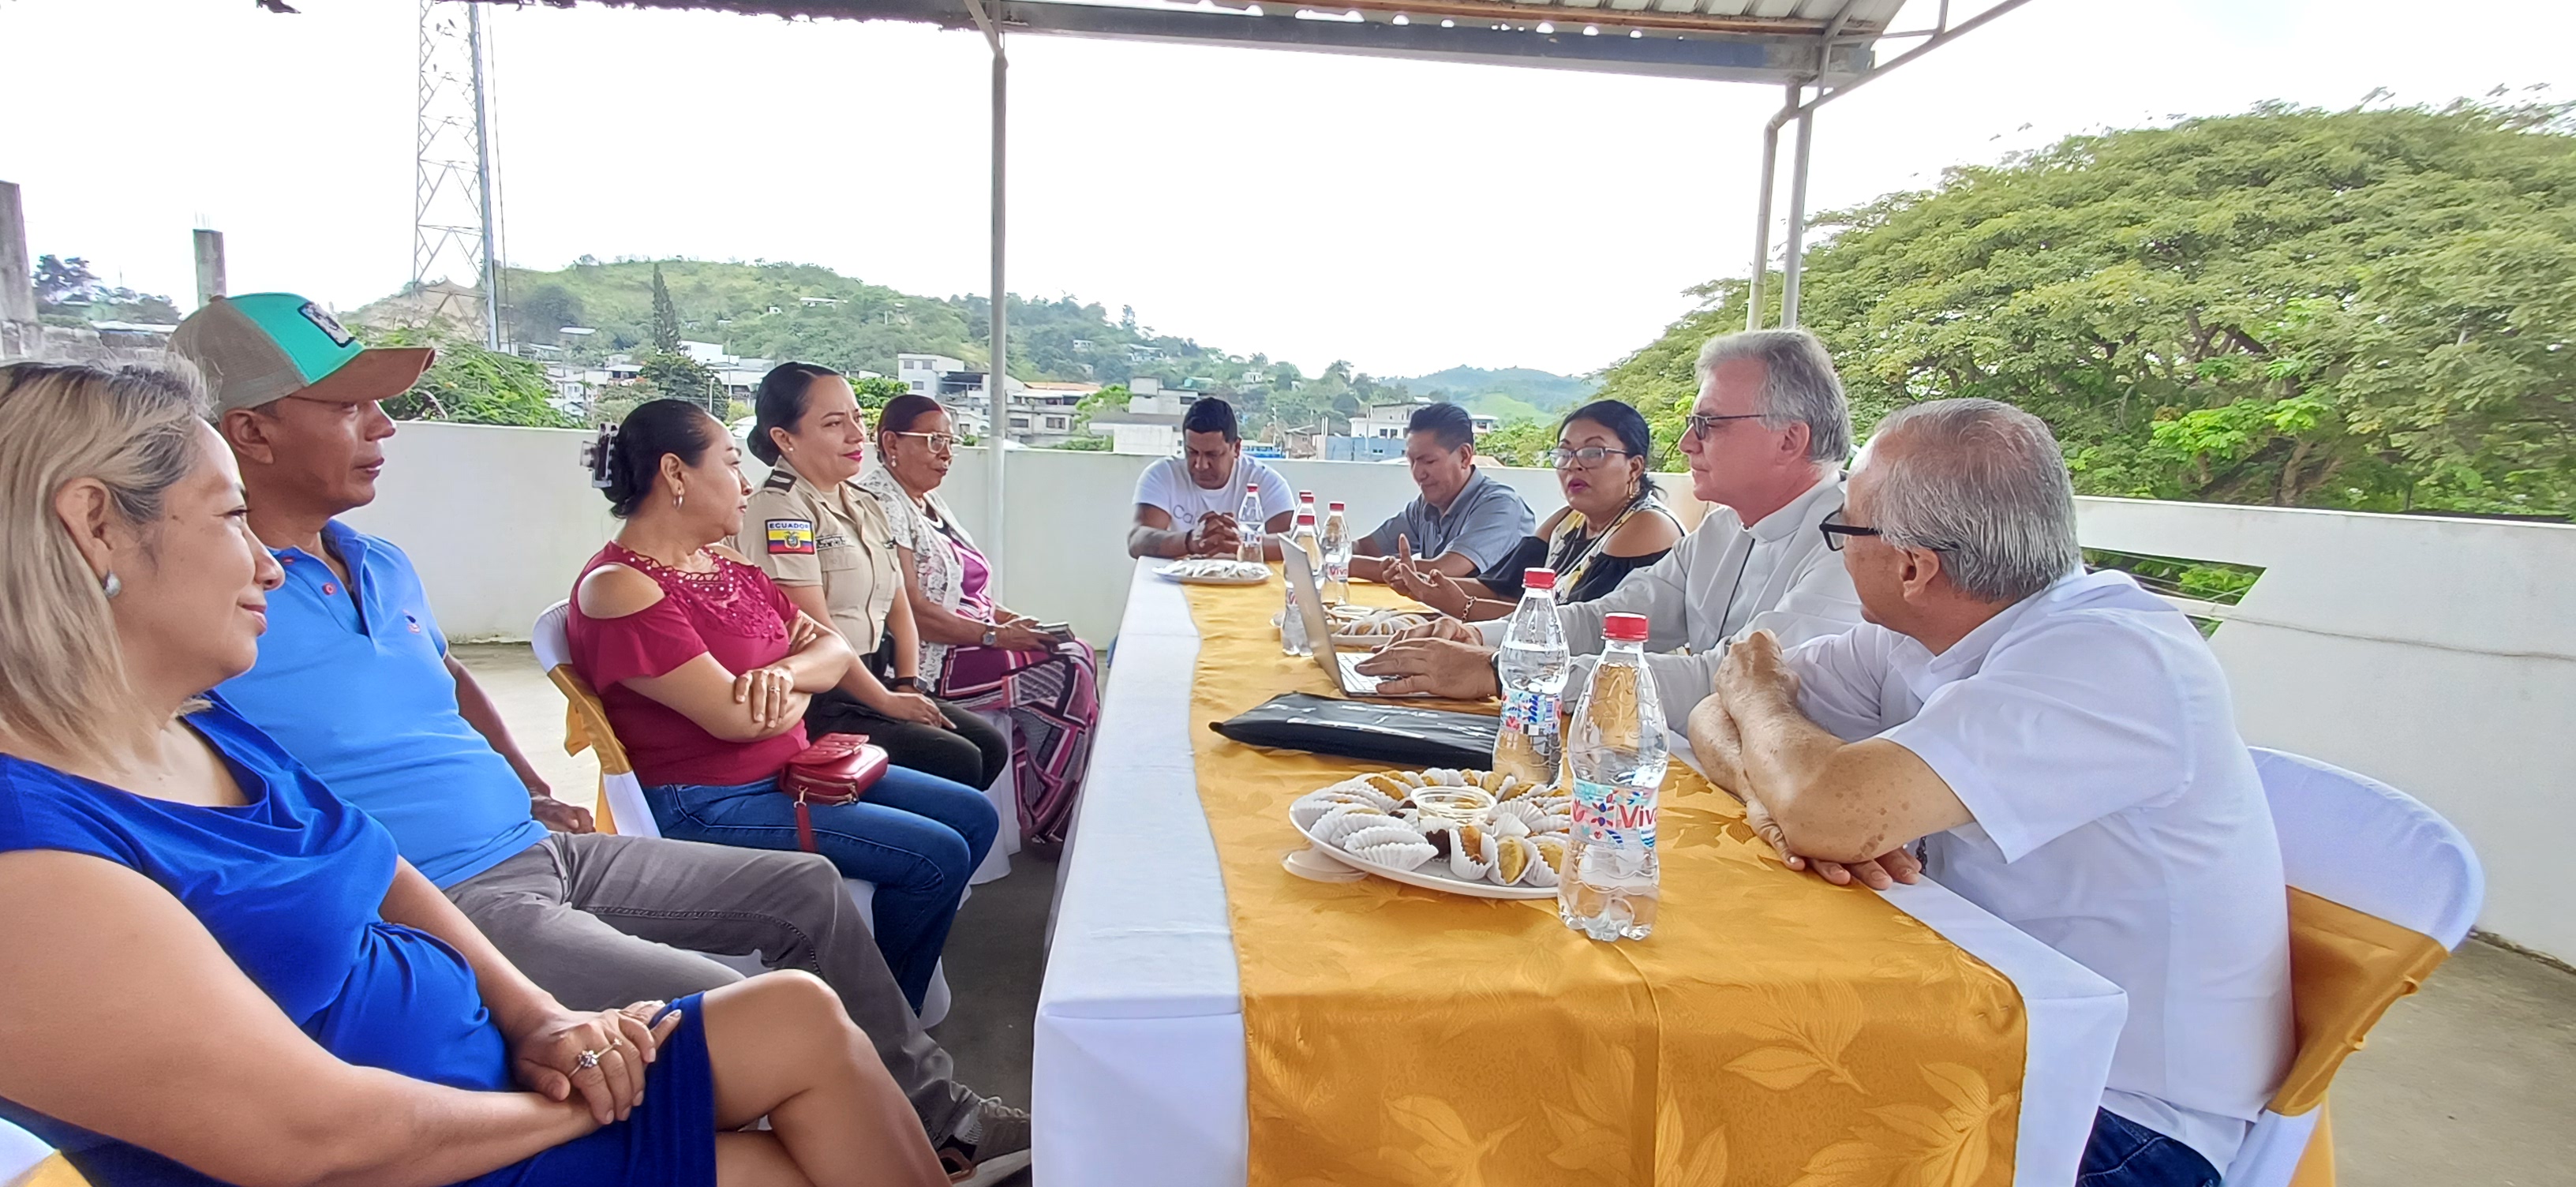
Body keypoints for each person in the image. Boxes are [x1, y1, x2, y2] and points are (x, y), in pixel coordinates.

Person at [0, 358, 946, 1187]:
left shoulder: (205, 729)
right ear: (96, 526)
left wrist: (538, 1018)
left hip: (499, 1000)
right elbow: (313, 1140)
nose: (267, 567)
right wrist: (579, 1101)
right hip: (442, 1133)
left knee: (801, 1021)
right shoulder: (34, 867)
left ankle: (942, 1116)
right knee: (794, 1105)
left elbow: (380, 852)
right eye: (229, 516)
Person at [1687, 398, 2292, 1185]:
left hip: (2114, 1112)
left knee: (1728, 1118)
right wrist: (1770, 795)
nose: (1839, 548)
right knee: (1711, 1081)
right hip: (1977, 1022)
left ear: (1914, 567)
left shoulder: (2113, 657)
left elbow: (1821, 798)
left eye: (1845, 528)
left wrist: (1768, 717)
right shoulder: (1919, 633)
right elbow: (1713, 712)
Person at [568, 400, 998, 1019]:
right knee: (936, 856)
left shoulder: (725, 564)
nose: (745, 483)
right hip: (709, 801)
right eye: (730, 463)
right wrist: (802, 678)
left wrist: (783, 675)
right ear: (675, 472)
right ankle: (882, 1029)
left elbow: (830, 647)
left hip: (793, 769)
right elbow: (738, 719)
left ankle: (882, 989)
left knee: (974, 816)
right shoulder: (620, 586)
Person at [1358, 329, 1862, 724]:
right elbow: (1608, 619)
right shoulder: (1725, 529)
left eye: (1708, 424)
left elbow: (1731, 680)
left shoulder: (1851, 545)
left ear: (1789, 439)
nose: (1687, 443)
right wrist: (1474, 637)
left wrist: (1501, 670)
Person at [741, 362, 1009, 793]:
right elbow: (816, 630)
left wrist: (906, 684)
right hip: (820, 697)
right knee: (957, 759)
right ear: (785, 438)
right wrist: (886, 701)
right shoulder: (780, 509)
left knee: (988, 745)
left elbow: (899, 604)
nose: (856, 435)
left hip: (873, 676)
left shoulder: (864, 502)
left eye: (856, 418)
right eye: (834, 424)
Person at [859, 395, 1099, 853]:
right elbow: (913, 610)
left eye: (950, 442)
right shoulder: (881, 502)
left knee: (1076, 650)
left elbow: (969, 590)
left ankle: (1057, 804)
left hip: (969, 639)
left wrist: (1011, 620)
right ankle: (1052, 820)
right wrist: (997, 635)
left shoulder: (926, 501)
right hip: (933, 662)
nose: (947, 454)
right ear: (891, 443)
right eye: (934, 441)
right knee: (1065, 672)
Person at [1383, 399, 1679, 618]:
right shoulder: (1568, 520)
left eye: (1593, 453)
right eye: (1565, 453)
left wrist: (1461, 606)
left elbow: (1575, 627)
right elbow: (1501, 589)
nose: (1573, 465)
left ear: (1634, 467)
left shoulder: (1647, 526)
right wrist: (1425, 586)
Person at [1348, 401, 1533, 582]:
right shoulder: (1424, 507)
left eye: (1429, 461)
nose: (1418, 474)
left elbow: (1443, 571)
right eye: (1412, 462)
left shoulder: (1501, 506)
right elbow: (1366, 548)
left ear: (1464, 456)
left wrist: (1346, 565)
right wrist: (1335, 548)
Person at [1126, 395, 1294, 560]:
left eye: (1212, 455)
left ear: (1236, 448)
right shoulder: (1162, 474)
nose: (1201, 465)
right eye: (1192, 452)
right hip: (1177, 576)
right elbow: (1137, 540)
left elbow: (1295, 544)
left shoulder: (1265, 480)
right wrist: (1190, 541)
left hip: (1247, 576)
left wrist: (1240, 543)